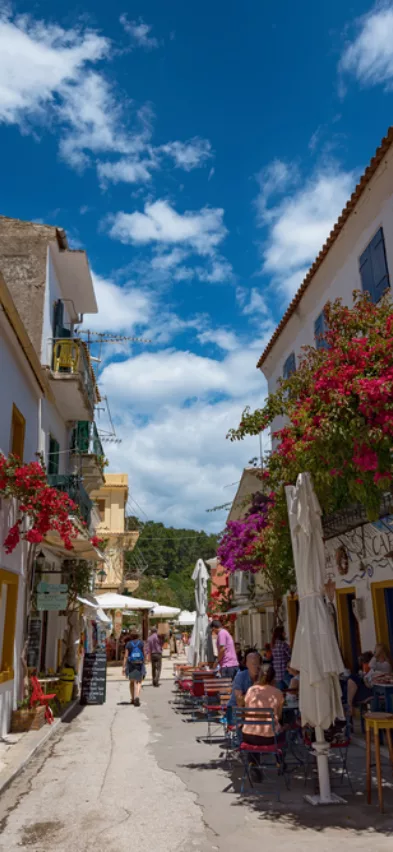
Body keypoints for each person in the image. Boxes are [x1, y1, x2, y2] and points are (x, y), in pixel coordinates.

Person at [243, 664, 285, 746]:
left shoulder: (251, 690)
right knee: (283, 732)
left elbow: (246, 711)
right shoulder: (277, 693)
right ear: (273, 677)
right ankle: (279, 758)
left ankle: (253, 759)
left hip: (248, 735)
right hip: (269, 738)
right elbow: (279, 716)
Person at [347, 644, 392, 716]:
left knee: (352, 680)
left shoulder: (385, 665)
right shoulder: (378, 665)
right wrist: (365, 680)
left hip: (376, 691)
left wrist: (375, 655)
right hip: (371, 687)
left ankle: (350, 706)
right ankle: (350, 705)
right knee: (352, 679)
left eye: (376, 653)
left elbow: (371, 665)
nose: (375, 655)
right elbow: (367, 676)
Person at [227, 651, 262, 722]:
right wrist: (253, 688)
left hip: (255, 710)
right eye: (253, 664)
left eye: (258, 664)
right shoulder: (240, 677)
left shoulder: (263, 676)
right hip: (235, 710)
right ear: (247, 664)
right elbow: (239, 702)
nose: (256, 667)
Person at [123, 629, 145, 706]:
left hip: (131, 664)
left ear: (131, 636)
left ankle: (133, 698)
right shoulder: (141, 643)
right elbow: (144, 653)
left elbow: (126, 656)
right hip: (139, 664)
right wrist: (145, 661)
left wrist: (123, 667)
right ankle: (137, 696)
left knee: (132, 682)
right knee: (139, 681)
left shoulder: (128, 644)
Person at [271, 626, 291, 691]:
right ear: (281, 633)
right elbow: (291, 655)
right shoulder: (283, 644)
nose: (285, 633)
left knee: (281, 693)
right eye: (284, 632)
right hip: (285, 671)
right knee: (292, 691)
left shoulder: (273, 645)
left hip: (277, 673)